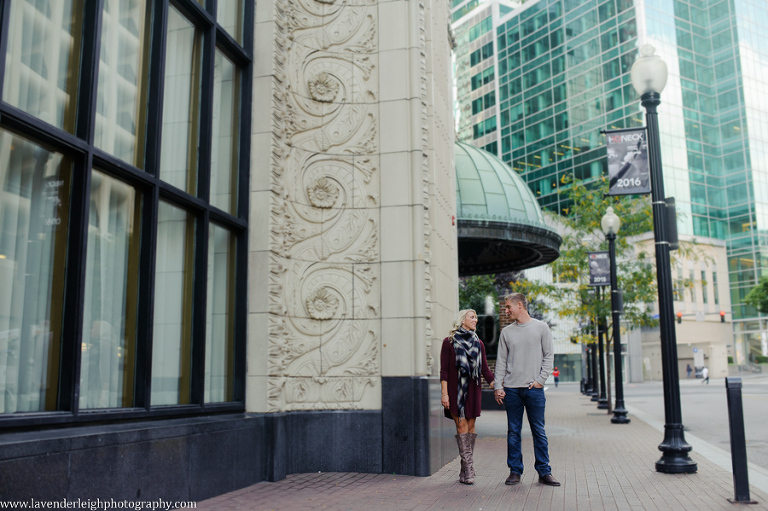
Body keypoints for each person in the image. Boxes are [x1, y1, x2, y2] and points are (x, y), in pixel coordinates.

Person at [494, 293, 560, 487]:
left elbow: (549, 356)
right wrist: (498, 385)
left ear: (520, 305)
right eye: (505, 308)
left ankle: (544, 472)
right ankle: (515, 471)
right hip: (512, 390)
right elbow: (501, 362)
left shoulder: (541, 328)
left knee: (538, 431)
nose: (506, 311)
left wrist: (540, 380)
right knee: (513, 431)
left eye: (508, 307)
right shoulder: (506, 332)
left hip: (534, 389)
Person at [440, 309, 495, 485]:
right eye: (472, 317)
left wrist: (496, 386)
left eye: (476, 317)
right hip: (456, 391)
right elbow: (444, 371)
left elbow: (485, 369)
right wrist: (444, 393)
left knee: (471, 428)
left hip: (473, 389)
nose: (476, 320)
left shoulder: (478, 343)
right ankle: (470, 469)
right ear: (462, 320)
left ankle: (465, 469)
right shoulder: (449, 342)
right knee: (462, 425)